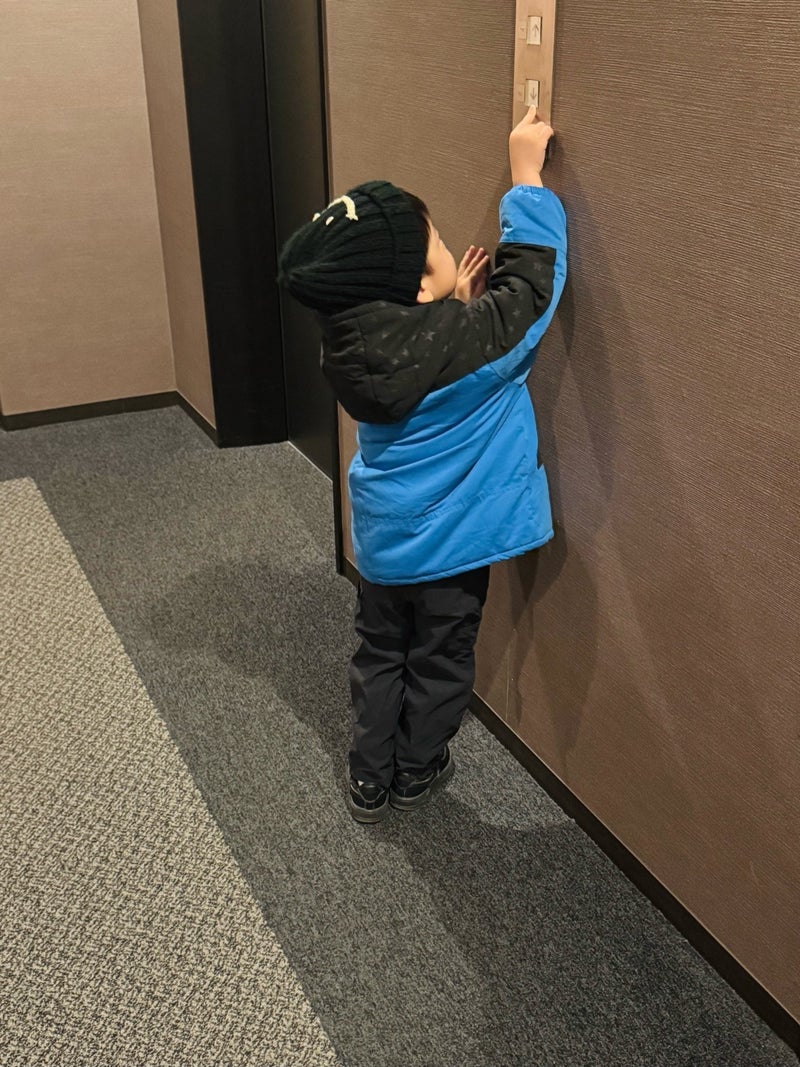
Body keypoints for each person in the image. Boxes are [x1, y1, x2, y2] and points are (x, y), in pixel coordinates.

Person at [278, 107, 567, 823]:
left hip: (384, 546)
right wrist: (526, 179)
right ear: (413, 291)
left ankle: (367, 776)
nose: (443, 244)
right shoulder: (466, 345)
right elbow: (530, 296)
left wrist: (453, 307)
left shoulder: (345, 344)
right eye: (435, 243)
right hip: (451, 551)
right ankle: (417, 768)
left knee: (380, 653)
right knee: (439, 661)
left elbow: (424, 359)